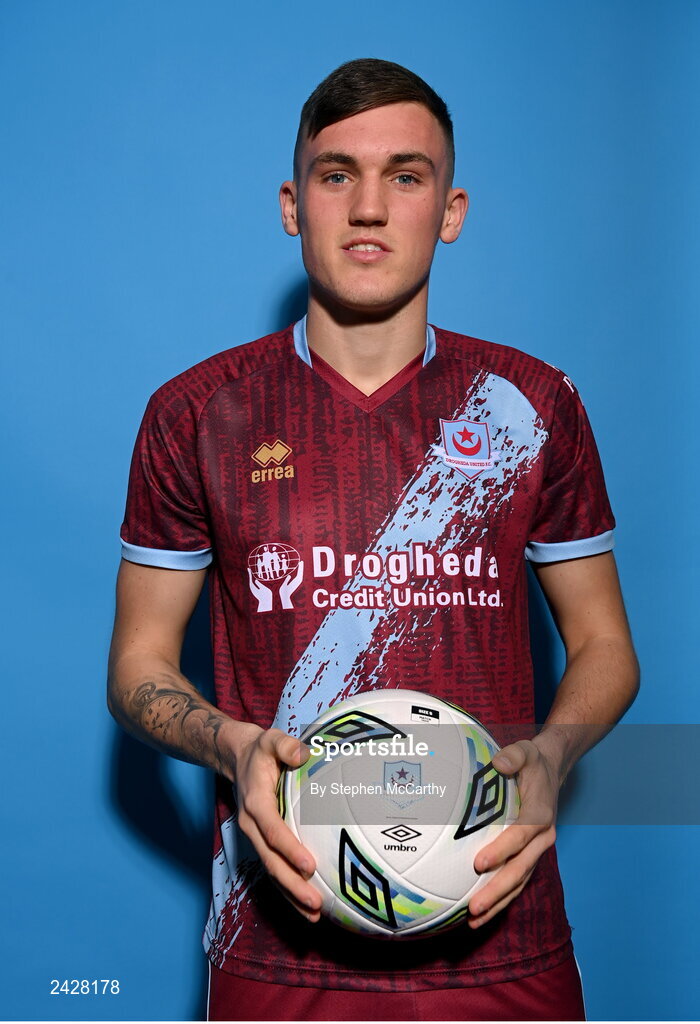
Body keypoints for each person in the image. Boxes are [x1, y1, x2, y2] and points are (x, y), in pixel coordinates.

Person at [108, 58, 639, 1021]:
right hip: (277, 942)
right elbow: (138, 664)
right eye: (335, 173)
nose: (368, 207)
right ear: (290, 204)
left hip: (498, 923)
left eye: (406, 175)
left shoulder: (531, 406)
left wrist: (556, 754)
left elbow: (605, 645)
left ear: (451, 210)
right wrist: (229, 745)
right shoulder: (195, 414)